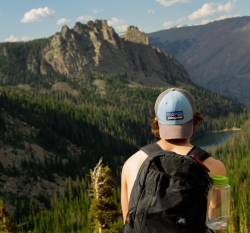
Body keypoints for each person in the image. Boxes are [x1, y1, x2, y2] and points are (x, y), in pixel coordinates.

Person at [121, 87, 226, 233]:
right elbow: (216, 224)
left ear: (157, 121)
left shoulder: (132, 164)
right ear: (194, 119)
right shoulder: (212, 166)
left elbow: (129, 222)